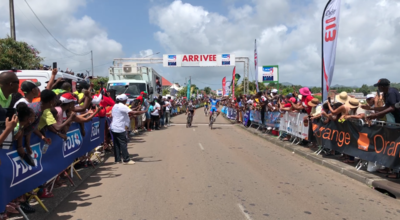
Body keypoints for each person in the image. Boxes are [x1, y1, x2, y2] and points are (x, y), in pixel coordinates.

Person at [110, 94, 146, 164]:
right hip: (119, 128)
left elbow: (128, 111)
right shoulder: (122, 106)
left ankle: (117, 159)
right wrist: (144, 111)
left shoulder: (115, 105)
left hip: (114, 127)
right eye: (126, 99)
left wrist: (135, 109)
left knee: (116, 144)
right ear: (124, 100)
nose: (126, 100)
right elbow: (132, 112)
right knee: (123, 143)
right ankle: (126, 159)